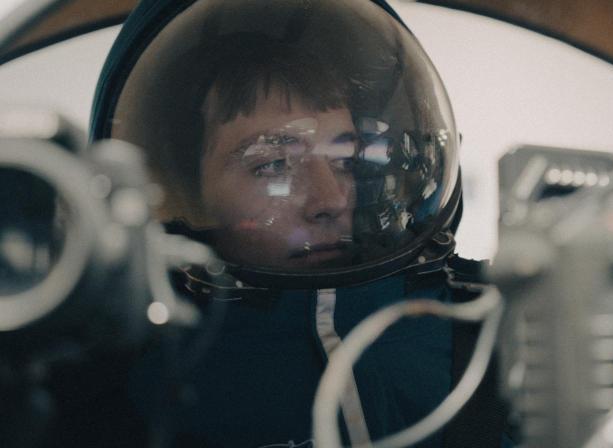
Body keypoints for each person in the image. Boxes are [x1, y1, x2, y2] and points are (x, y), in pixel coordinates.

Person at [83, 0, 512, 446]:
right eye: (273, 164)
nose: (329, 200)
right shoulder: (116, 367)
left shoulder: (498, 328)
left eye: (346, 158)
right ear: (184, 184)